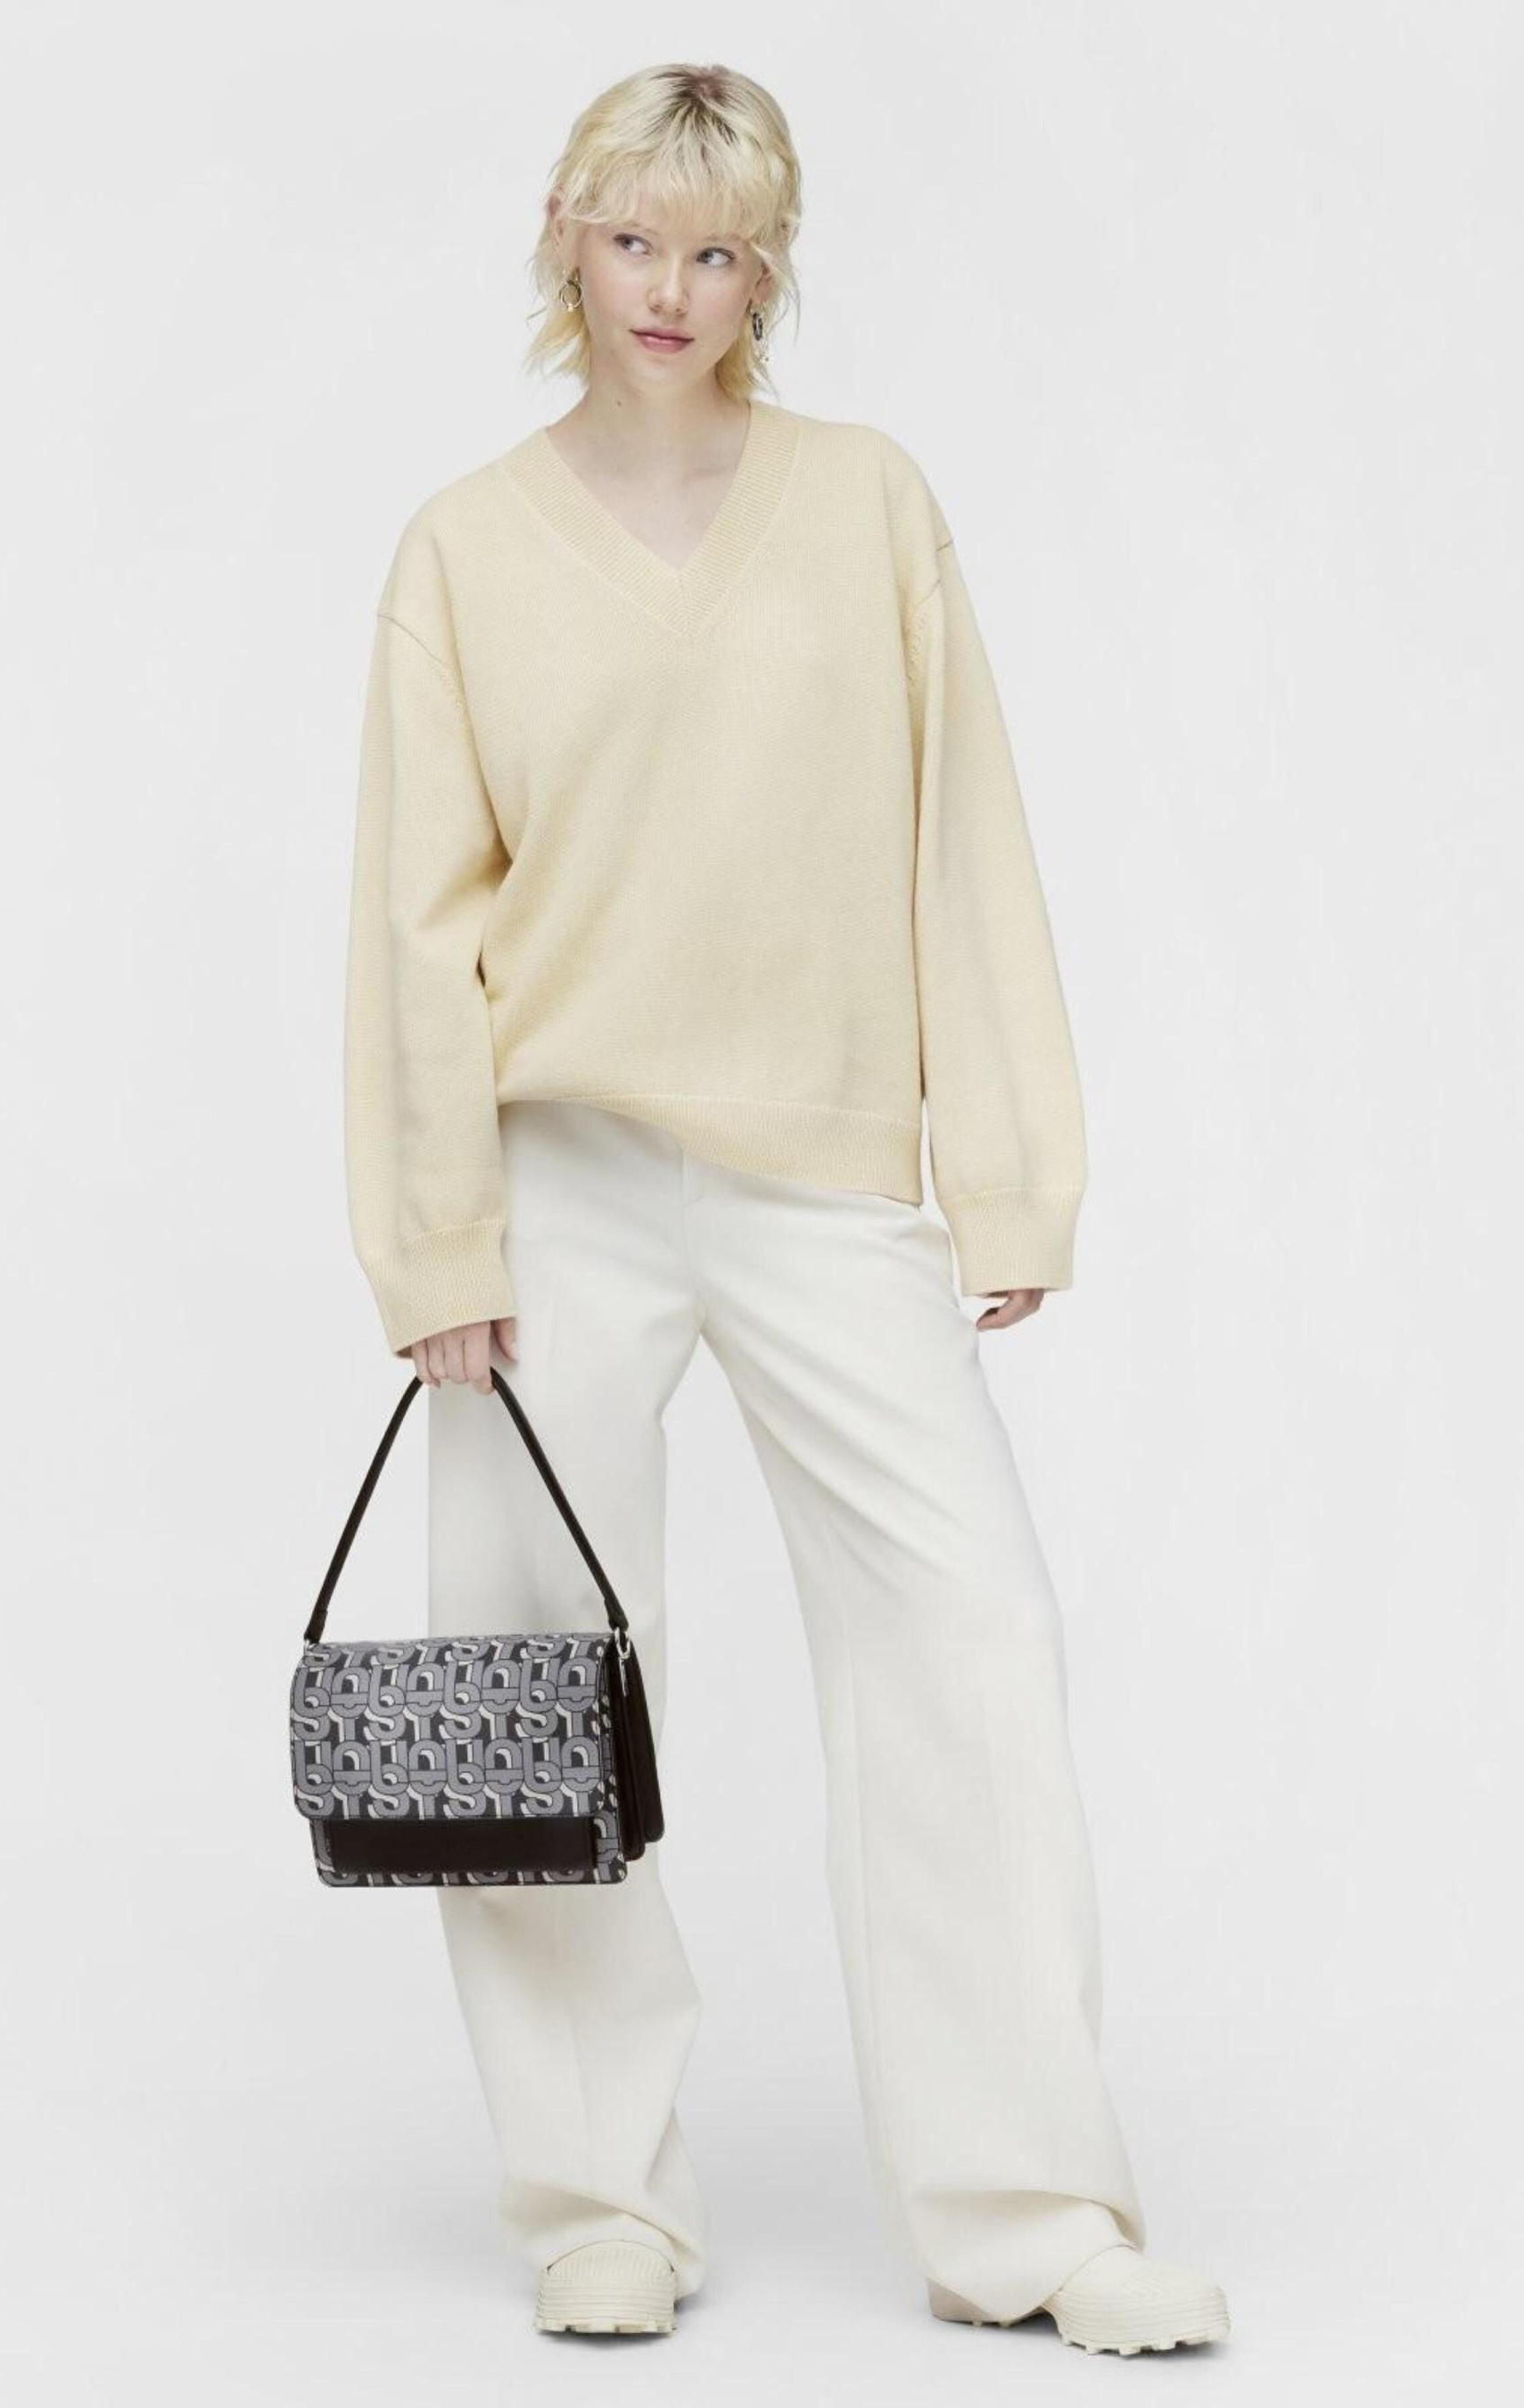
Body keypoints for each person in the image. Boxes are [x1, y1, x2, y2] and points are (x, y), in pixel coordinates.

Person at [340, 60, 1230, 2357]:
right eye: (636, 238)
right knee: (528, 1673)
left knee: (971, 1643)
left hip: (829, 1174)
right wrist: (438, 1238)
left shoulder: (868, 508)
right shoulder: (463, 549)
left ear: (771, 271)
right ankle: (595, 2195)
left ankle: (1030, 2207)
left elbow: (966, 835)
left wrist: (1004, 1167)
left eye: (721, 250)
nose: (673, 289)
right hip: (556, 1180)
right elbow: (416, 922)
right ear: (567, 237)